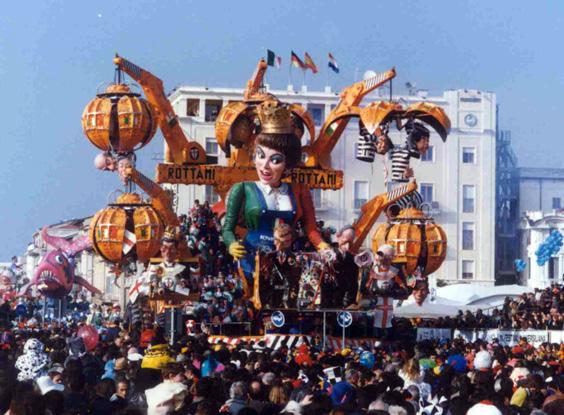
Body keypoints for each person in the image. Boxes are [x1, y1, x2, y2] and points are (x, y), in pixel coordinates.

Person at [222, 100, 329, 300]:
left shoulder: (299, 190)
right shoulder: (243, 189)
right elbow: (227, 227)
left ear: (287, 163)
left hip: (287, 260)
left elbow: (311, 229)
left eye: (275, 160)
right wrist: (231, 244)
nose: (265, 166)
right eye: (260, 156)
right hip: (251, 259)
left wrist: (324, 247)